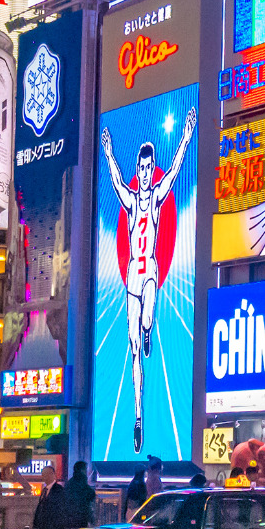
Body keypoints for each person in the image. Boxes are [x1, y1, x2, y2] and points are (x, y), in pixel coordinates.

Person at [101, 106, 197, 453]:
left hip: (150, 272)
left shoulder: (155, 199)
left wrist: (186, 138)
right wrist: (110, 154)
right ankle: (139, 415)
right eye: (140, 168)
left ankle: (148, 329)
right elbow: (113, 179)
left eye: (146, 168)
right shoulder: (129, 200)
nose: (143, 173)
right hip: (131, 275)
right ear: (136, 171)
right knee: (132, 352)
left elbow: (173, 172)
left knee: (147, 314)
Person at [65, 462, 97, 529]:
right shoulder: (81, 481)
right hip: (80, 518)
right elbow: (90, 494)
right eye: (86, 469)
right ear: (82, 470)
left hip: (70, 518)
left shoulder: (70, 483)